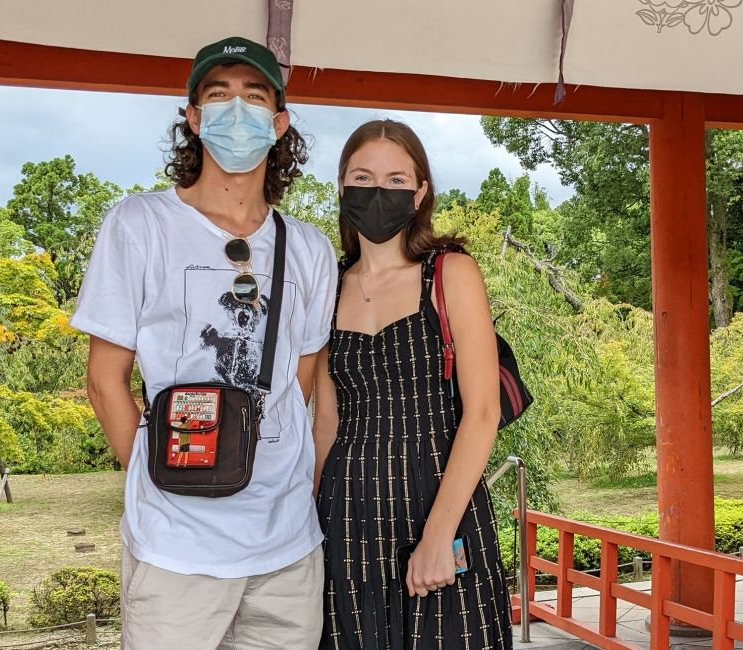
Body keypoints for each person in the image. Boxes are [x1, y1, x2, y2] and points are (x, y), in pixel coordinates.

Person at [71, 36, 336, 649]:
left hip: (288, 549)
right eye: (218, 97)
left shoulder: (310, 248)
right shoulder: (139, 225)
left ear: (279, 122)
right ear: (192, 119)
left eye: (253, 96)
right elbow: (104, 380)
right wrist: (152, 476)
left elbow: (300, 384)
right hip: (175, 549)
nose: (235, 110)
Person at [313, 120, 513, 649]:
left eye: (397, 179)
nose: (380, 190)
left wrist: (438, 535)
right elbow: (326, 424)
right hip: (347, 509)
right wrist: (300, 524)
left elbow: (483, 413)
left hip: (439, 494)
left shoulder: (450, 273)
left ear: (420, 192)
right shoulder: (327, 286)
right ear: (341, 185)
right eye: (364, 176)